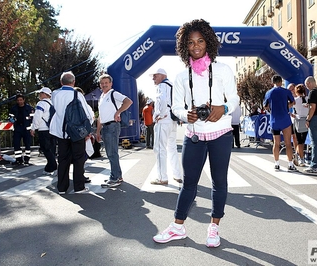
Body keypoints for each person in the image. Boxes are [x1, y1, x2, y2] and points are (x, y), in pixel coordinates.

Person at [152, 18, 239, 248]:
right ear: (184, 47)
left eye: (200, 41)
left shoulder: (222, 70)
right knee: (188, 183)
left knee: (219, 182)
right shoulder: (181, 77)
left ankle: (214, 227)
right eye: (191, 43)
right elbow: (176, 107)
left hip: (221, 132)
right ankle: (178, 226)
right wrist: (185, 115)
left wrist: (224, 108)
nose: (196, 46)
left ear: (208, 42)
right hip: (194, 135)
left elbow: (234, 99)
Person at [49, 71, 94, 194]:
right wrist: (87, 130)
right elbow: (87, 114)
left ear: (61, 82)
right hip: (76, 132)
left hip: (60, 132)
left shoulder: (55, 94)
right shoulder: (77, 95)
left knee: (63, 159)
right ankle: (79, 187)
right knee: (79, 159)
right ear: (73, 82)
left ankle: (62, 188)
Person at [96, 74, 133, 188]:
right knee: (111, 153)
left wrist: (118, 112)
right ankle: (118, 176)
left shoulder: (113, 93)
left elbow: (128, 101)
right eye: (102, 83)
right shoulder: (102, 97)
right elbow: (100, 117)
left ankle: (115, 178)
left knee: (112, 153)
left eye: (106, 82)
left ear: (111, 84)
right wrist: (98, 132)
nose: (104, 85)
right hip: (106, 127)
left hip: (112, 126)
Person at [150, 68, 183, 185]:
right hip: (172, 120)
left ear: (162, 75)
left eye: (155, 76)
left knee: (159, 149)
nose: (153, 78)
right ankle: (177, 174)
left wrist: (159, 114)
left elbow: (161, 100)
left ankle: (162, 177)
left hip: (163, 121)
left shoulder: (162, 86)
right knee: (172, 148)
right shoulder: (172, 85)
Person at [263, 75, 297, 172]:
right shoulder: (286, 91)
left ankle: (276, 164)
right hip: (285, 120)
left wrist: (271, 109)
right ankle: (290, 164)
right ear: (281, 81)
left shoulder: (268, 93)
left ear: (272, 82)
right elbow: (293, 102)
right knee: (288, 143)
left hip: (274, 120)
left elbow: (265, 106)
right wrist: (287, 106)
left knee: (276, 143)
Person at [30, 87, 57, 175]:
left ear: (44, 94)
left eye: (41, 93)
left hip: (43, 129)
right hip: (53, 129)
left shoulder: (41, 103)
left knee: (45, 149)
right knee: (51, 150)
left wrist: (33, 128)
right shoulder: (53, 103)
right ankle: (48, 169)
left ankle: (55, 166)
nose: (39, 95)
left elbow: (37, 116)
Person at [9, 93, 34, 165]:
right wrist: (12, 120)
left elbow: (33, 119)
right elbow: (10, 117)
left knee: (27, 145)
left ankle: (27, 159)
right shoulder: (14, 109)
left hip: (26, 129)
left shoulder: (29, 108)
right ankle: (18, 159)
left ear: (24, 100)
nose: (19, 101)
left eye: (21, 100)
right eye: (18, 100)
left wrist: (32, 129)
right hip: (17, 129)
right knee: (16, 144)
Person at [292, 84, 309, 167]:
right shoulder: (307, 99)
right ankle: (300, 157)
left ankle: (299, 157)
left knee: (299, 142)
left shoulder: (295, 100)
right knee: (303, 141)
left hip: (298, 120)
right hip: (306, 121)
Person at [287, 83, 298, 165]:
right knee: (293, 137)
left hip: (299, 119)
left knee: (298, 138)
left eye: (291, 89)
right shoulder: (289, 98)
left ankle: (299, 153)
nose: (290, 91)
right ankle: (296, 152)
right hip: (292, 119)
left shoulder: (299, 97)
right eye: (289, 90)